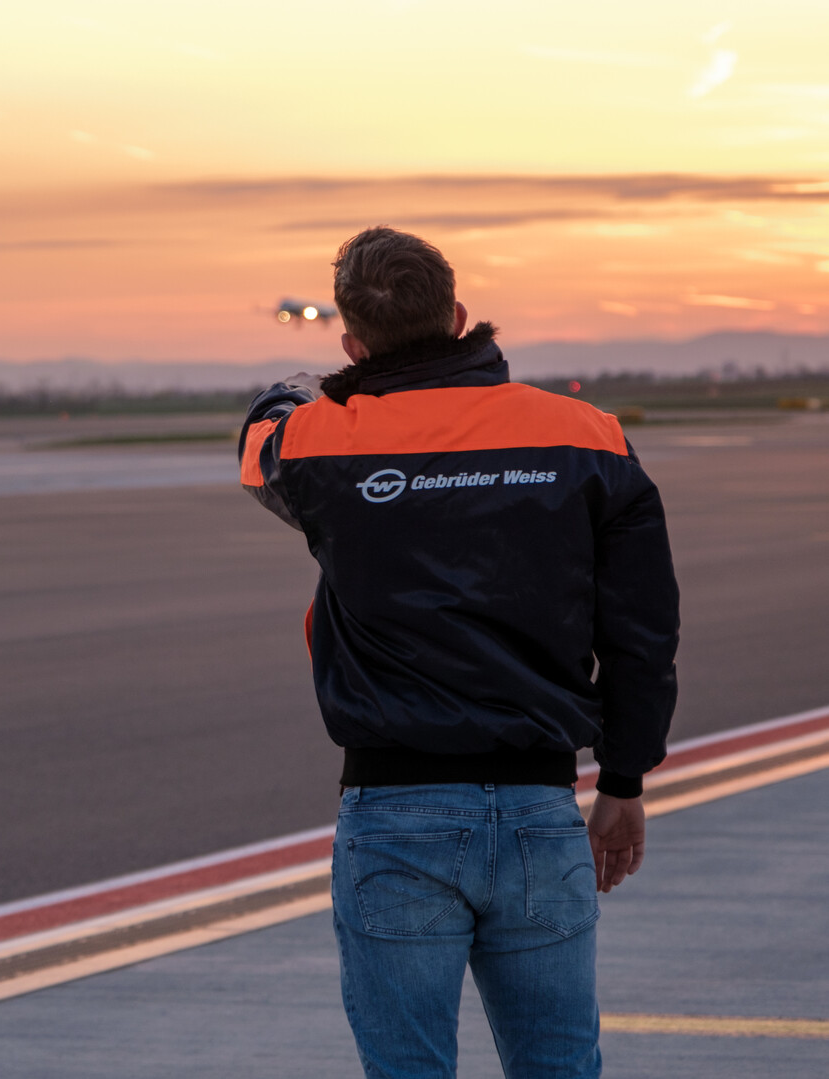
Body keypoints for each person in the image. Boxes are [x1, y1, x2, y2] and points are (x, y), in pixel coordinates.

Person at [239, 228, 678, 1078]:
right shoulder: (588, 437)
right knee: (557, 1064)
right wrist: (623, 780)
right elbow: (641, 631)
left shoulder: (320, 445)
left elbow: (261, 436)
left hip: (393, 811)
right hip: (538, 810)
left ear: (352, 343)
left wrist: (315, 385)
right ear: (462, 316)